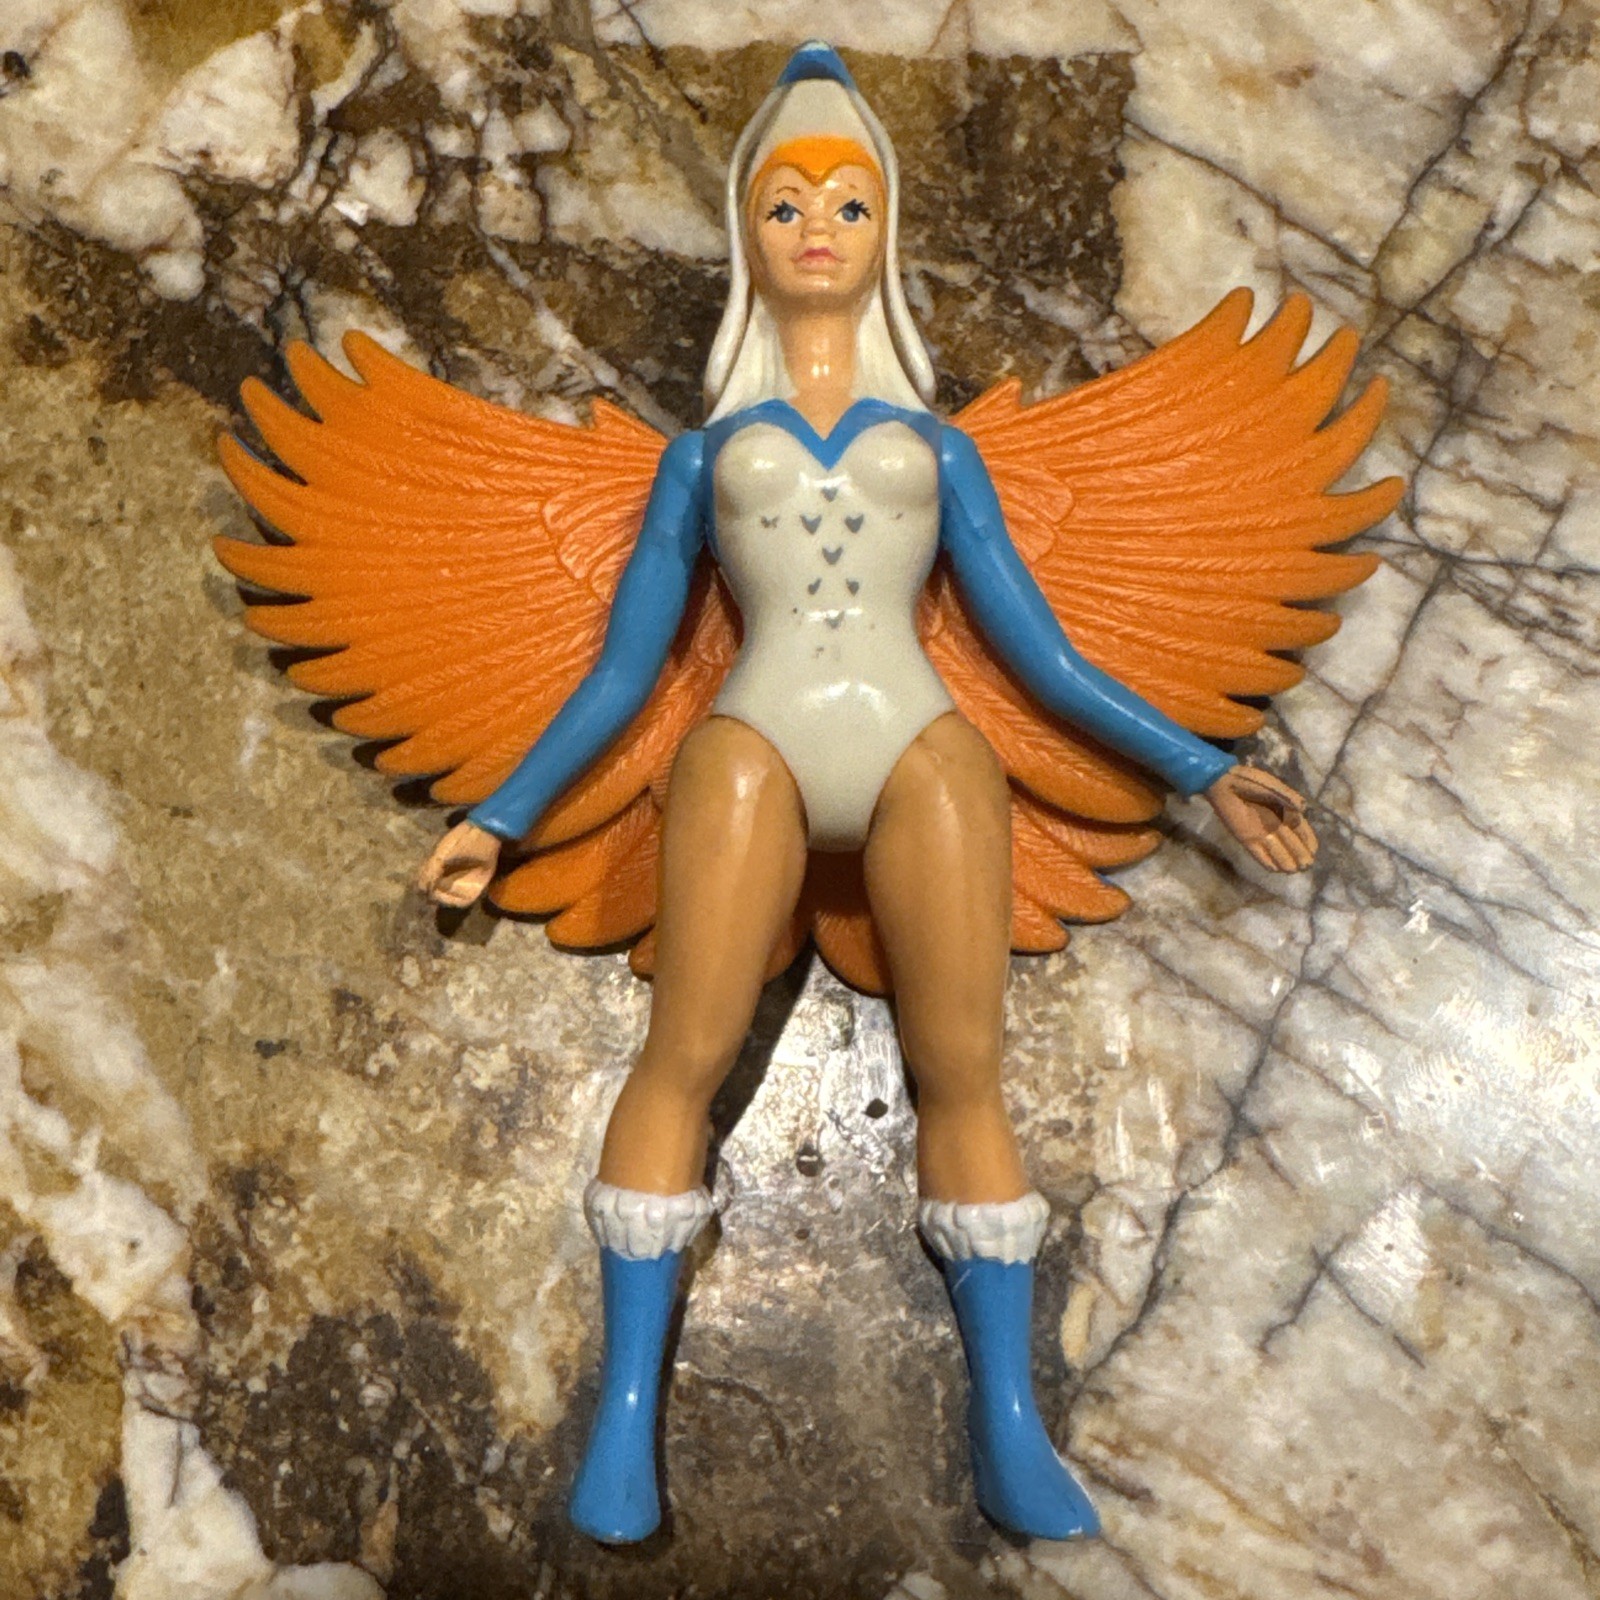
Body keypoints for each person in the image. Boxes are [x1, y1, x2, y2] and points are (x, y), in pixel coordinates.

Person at [412, 42, 1324, 1545]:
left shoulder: (936, 450)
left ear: (886, 229)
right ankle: (626, 1412)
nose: (818, 227)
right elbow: (626, 668)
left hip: (922, 749)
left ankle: (1008, 1419)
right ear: (746, 232)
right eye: (785, 203)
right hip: (751, 745)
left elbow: (1042, 654)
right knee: (682, 1053)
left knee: (965, 1071)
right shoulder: (704, 459)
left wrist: (1206, 768)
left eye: (848, 202)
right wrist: (500, 814)